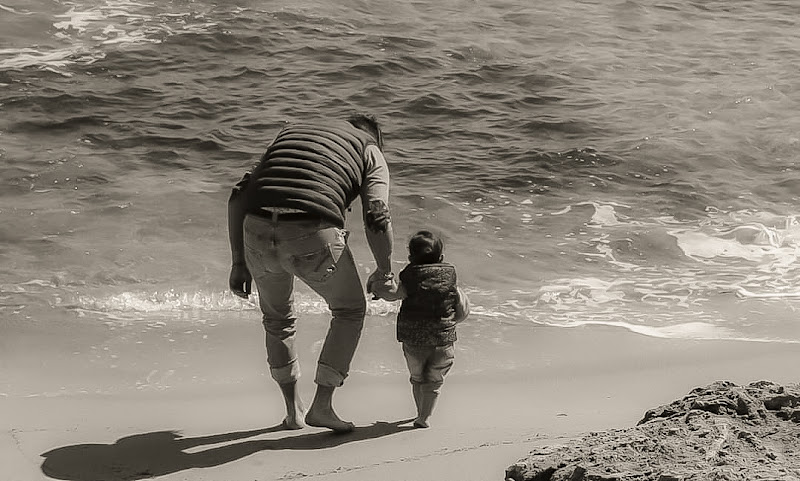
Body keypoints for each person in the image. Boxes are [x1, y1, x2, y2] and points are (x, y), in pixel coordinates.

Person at [227, 113, 399, 433]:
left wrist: (238, 262)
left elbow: (239, 193)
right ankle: (322, 406)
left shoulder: (290, 132)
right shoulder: (369, 149)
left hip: (256, 228)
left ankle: (293, 412)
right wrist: (385, 272)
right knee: (349, 310)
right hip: (310, 229)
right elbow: (377, 213)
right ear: (375, 138)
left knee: (278, 319)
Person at [391, 230, 470, 428]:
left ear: (410, 257)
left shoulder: (408, 277)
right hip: (443, 341)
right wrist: (452, 323)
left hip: (413, 340)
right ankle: (424, 417)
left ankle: (420, 412)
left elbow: (395, 294)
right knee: (434, 381)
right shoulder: (450, 276)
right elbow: (461, 309)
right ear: (441, 258)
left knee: (417, 378)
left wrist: (377, 285)